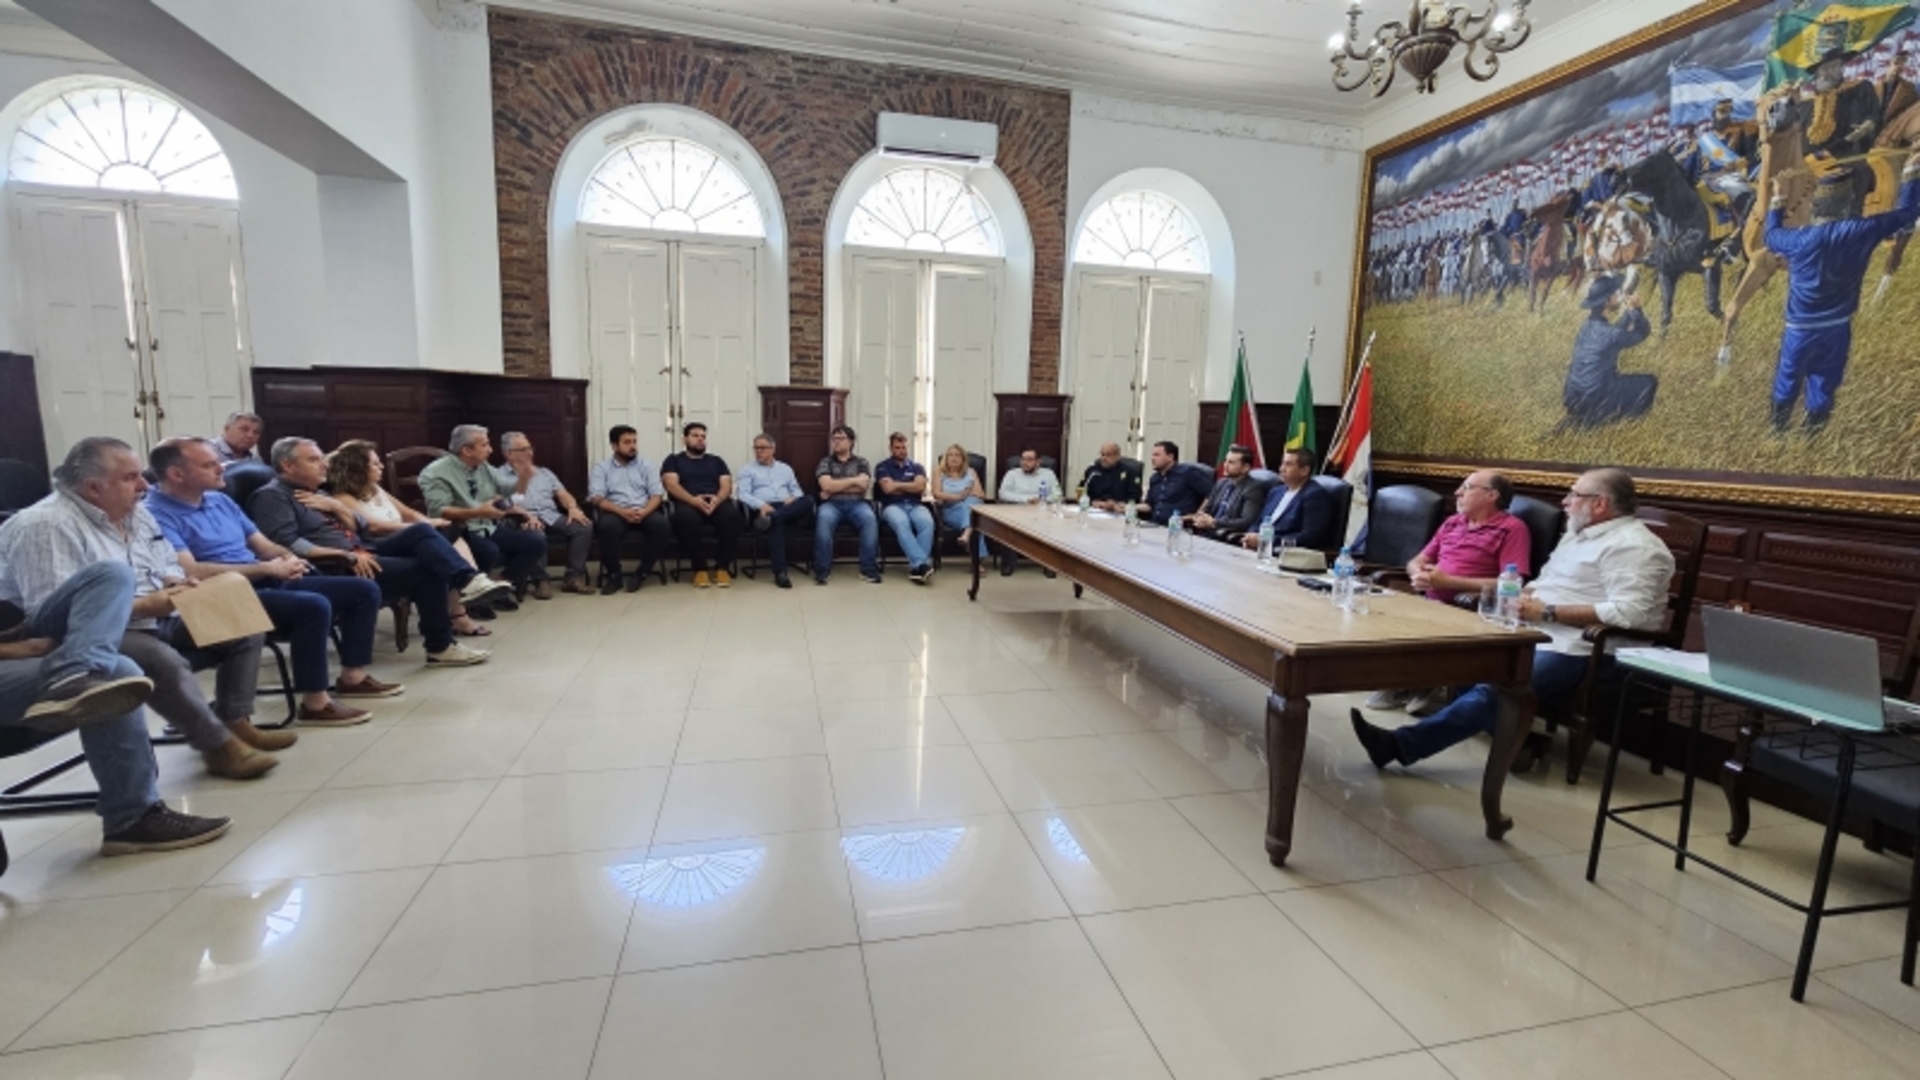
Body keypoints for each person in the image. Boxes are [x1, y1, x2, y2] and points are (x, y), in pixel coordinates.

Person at [1350, 468, 1674, 776]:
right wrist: (1520, 600)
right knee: (1471, 663)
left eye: (1573, 494)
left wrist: (1547, 612)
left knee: (1499, 687)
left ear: (1600, 503)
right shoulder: (1578, 535)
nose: (1564, 501)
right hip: (1539, 626)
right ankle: (1526, 742)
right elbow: (1545, 583)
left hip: (1588, 647)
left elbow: (1630, 613)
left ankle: (1400, 746)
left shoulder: (1637, 547)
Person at [0, 437, 278, 780]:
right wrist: (148, 604)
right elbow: (53, 611)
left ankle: (233, 719)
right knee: (161, 658)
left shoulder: (138, 513)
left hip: (159, 610)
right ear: (93, 486)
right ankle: (218, 747)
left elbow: (165, 563)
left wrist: (176, 582)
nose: (145, 484)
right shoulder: (45, 525)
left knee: (242, 622)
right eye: (131, 477)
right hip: (93, 632)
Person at [146, 437, 393, 725]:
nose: (221, 468)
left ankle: (353, 677)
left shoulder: (219, 499)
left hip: (260, 577)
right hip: (215, 594)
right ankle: (315, 703)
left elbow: (264, 545)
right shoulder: (156, 512)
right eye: (209, 464)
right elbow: (191, 571)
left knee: (362, 590)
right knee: (312, 606)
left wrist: (287, 559)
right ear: (177, 474)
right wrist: (266, 569)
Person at [0, 560, 229, 855]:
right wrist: (15, 650)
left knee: (112, 573)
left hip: (17, 631)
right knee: (116, 671)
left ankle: (74, 673)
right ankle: (132, 818)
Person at [250, 437, 491, 667]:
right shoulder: (272, 497)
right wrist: (343, 556)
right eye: (313, 460)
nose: (324, 464)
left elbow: (362, 527)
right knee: (426, 570)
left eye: (322, 458)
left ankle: (468, 579)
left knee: (420, 531)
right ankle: (441, 646)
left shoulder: (319, 493)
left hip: (362, 547)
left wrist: (336, 507)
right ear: (288, 465)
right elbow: (288, 544)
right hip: (335, 565)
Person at [1764, 157, 1920, 433]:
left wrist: (1779, 196)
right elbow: (1908, 212)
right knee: (1825, 382)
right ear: (1848, 203)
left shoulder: (1798, 239)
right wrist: (1911, 170)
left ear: (1816, 206)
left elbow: (1771, 235)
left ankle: (1777, 433)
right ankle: (1811, 440)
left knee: (1787, 381)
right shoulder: (1862, 230)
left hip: (1799, 330)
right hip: (1837, 327)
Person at [1365, 470, 1532, 714]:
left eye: (1467, 486)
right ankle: (1404, 682)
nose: (1457, 492)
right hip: (1428, 598)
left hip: (1470, 608)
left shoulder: (1512, 528)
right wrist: (1418, 575)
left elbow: (1511, 585)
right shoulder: (1453, 521)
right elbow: (1417, 560)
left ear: (1491, 495)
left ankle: (1419, 683)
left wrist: (1448, 582)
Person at [323, 440, 507, 637]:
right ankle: (467, 588)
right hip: (378, 544)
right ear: (357, 469)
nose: (381, 466)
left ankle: (469, 586)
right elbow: (373, 527)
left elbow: (409, 513)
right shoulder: (343, 497)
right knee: (431, 539)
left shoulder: (375, 489)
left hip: (406, 537)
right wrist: (420, 527)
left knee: (449, 530)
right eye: (375, 464)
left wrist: (429, 522)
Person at [418, 425, 550, 599]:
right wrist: (478, 511)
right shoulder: (435, 473)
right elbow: (439, 511)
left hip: (486, 526)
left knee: (536, 544)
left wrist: (524, 476)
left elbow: (510, 490)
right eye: (485, 445)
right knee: (489, 551)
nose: (490, 450)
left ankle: (498, 586)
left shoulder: (483, 467)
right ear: (467, 450)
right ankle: (471, 596)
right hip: (458, 530)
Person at [498, 431, 592, 597]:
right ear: (509, 454)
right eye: (523, 449)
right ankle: (540, 581)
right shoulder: (498, 476)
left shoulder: (544, 473)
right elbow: (500, 504)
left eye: (530, 448)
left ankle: (573, 577)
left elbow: (563, 494)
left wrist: (572, 507)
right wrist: (524, 515)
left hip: (551, 515)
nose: (530, 452)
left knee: (583, 526)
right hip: (520, 519)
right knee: (535, 536)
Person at [1562, 275, 1656, 428]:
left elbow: (1614, 334)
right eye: (1616, 294)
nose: (1620, 296)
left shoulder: (1586, 326)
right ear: (1607, 301)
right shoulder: (1610, 334)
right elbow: (1642, 333)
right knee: (1649, 382)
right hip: (1595, 398)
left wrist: (1628, 313)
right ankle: (1626, 426)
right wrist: (1636, 310)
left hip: (1573, 396)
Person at [588, 425, 671, 595]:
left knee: (662, 526)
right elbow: (597, 497)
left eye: (634, 441)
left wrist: (645, 511)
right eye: (627, 442)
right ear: (614, 445)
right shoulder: (602, 468)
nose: (633, 446)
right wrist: (622, 512)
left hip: (644, 510)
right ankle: (614, 575)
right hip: (616, 511)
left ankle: (641, 573)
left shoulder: (647, 465)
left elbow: (657, 495)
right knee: (606, 527)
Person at [662, 422, 744, 588]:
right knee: (687, 519)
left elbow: (726, 484)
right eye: (695, 436)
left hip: (715, 501)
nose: (700, 439)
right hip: (687, 501)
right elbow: (671, 485)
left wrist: (718, 499)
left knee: (732, 516)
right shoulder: (673, 460)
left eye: (703, 437)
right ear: (684, 439)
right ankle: (700, 568)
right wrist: (693, 500)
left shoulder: (716, 461)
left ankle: (722, 567)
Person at [736, 432, 813, 589]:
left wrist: (793, 498)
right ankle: (780, 573)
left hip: (787, 507)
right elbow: (742, 494)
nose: (758, 451)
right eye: (756, 448)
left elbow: (797, 491)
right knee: (776, 525)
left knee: (809, 500)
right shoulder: (747, 470)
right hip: (764, 508)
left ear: (773, 449)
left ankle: (774, 518)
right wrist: (761, 505)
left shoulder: (785, 469)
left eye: (763, 448)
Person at [814, 425, 879, 585]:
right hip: (831, 504)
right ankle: (822, 570)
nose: (836, 442)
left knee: (870, 520)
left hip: (857, 503)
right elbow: (826, 486)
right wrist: (853, 481)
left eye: (840, 438)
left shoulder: (861, 462)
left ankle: (868, 570)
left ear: (850, 442)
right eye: (834, 439)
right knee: (823, 519)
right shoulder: (826, 462)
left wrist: (834, 487)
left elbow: (863, 486)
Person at [1242, 448, 1338, 552]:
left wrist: (1267, 540)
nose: (1281, 469)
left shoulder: (1315, 496)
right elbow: (1259, 522)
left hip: (1285, 554)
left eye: (1288, 464)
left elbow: (1310, 537)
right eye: (1282, 464)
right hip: (1260, 549)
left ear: (1304, 471)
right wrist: (1250, 536)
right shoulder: (1276, 492)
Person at [876, 432, 937, 584]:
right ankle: (921, 564)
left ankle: (918, 569)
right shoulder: (883, 466)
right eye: (897, 447)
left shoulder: (917, 467)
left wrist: (897, 484)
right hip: (892, 506)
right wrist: (910, 486)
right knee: (902, 523)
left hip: (915, 505)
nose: (902, 450)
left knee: (927, 522)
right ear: (891, 448)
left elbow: (920, 487)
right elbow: (888, 489)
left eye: (904, 447)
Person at [995, 449, 1063, 576]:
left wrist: (1041, 500)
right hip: (1017, 509)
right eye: (1023, 459)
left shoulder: (1048, 474)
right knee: (1008, 525)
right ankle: (1008, 563)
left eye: (1029, 459)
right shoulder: (1012, 474)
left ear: (1038, 462)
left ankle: (1049, 564)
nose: (1025, 463)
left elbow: (1058, 494)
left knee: (1052, 525)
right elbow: (1002, 493)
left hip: (1042, 510)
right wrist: (1026, 500)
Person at [1186, 445, 1266, 542]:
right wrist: (1201, 518)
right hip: (1207, 533)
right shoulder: (1221, 483)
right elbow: (1208, 508)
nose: (1225, 465)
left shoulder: (1253, 489)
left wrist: (1214, 522)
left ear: (1245, 468)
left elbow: (1246, 521)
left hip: (1226, 537)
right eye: (1225, 461)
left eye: (1231, 462)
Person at [1137, 441, 1214, 526]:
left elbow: (1211, 494)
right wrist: (1128, 507)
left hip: (1179, 527)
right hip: (1155, 525)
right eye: (1152, 455)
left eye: (1157, 455)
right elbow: (1149, 506)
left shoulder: (1187, 473)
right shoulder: (1155, 478)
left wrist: (1198, 514)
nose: (1152, 458)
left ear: (1170, 457)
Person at [933, 444, 988, 560]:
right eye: (950, 455)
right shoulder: (939, 472)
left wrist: (959, 497)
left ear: (963, 459)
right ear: (945, 458)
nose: (954, 458)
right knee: (975, 522)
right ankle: (978, 562)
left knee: (971, 504)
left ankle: (966, 533)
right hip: (950, 511)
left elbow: (981, 495)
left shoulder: (971, 472)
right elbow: (937, 493)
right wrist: (959, 496)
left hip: (970, 508)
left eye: (958, 455)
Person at [1081, 443, 1139, 511]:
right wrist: (1092, 502)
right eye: (1102, 454)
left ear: (1117, 456)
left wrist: (1117, 504)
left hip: (1119, 512)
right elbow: (1081, 490)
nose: (1104, 458)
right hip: (1094, 510)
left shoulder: (1129, 472)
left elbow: (1134, 497)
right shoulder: (1092, 471)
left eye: (1108, 455)